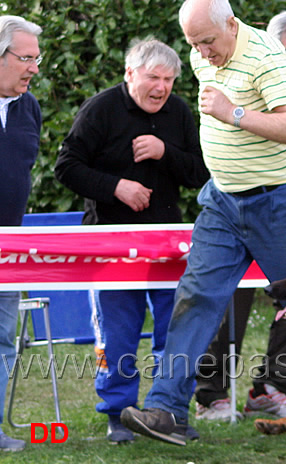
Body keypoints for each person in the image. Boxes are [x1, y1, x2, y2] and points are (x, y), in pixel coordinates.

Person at [120, 0, 286, 446]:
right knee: (194, 298)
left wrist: (234, 113)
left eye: (208, 41)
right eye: (193, 44)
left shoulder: (266, 57)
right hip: (223, 202)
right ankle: (167, 410)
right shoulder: (204, 51)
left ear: (232, 24)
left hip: (281, 203)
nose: (201, 53)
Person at [54, 37, 210, 443]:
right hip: (111, 242)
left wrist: (164, 152)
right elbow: (65, 166)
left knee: (175, 331)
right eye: (153, 78)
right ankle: (118, 413)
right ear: (130, 74)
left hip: (166, 242)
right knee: (117, 333)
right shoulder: (101, 109)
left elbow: (200, 172)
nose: (162, 88)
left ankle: (169, 409)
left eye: (170, 80)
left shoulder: (178, 113)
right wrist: (115, 187)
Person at [193, 8, 286, 422]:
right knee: (224, 299)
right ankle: (212, 391)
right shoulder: (242, 64)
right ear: (270, 47)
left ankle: (272, 385)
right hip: (237, 199)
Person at [0, 14, 42, 453]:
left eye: (37, 59)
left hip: (7, 250)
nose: (33, 68)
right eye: (25, 58)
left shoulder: (30, 106)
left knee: (2, 342)